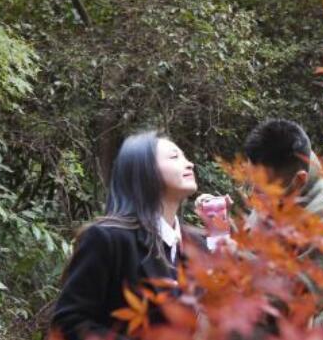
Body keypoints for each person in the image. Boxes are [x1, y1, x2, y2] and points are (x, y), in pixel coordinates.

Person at [50, 129, 207, 340]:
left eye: (186, 156)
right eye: (174, 157)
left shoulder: (197, 243)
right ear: (144, 170)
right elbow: (68, 323)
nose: (189, 164)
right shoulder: (107, 239)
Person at [243, 119, 323, 307]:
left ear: (299, 180)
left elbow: (299, 301)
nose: (253, 195)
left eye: (262, 190)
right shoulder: (279, 179)